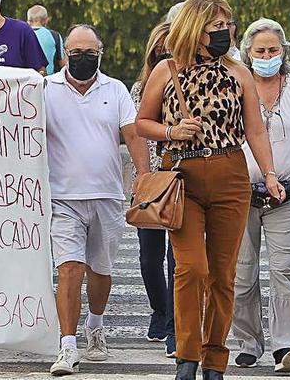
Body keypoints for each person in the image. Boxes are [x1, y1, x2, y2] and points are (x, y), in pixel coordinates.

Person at [136, 0, 284, 380]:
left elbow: (255, 128)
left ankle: (215, 359)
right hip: (181, 176)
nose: (226, 32)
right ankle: (187, 355)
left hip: (230, 174)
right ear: (195, 29)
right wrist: (171, 130)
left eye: (228, 25)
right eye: (217, 26)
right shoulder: (166, 69)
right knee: (191, 268)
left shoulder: (238, 72)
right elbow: (142, 123)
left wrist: (268, 174)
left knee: (223, 273)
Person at [46, 25, 150, 376]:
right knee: (69, 269)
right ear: (65, 56)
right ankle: (68, 346)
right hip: (63, 197)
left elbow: (133, 133)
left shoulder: (116, 89)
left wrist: (144, 177)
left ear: (100, 54)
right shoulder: (45, 90)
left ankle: (96, 325)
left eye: (90, 53)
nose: (83, 58)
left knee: (100, 271)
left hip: (107, 195)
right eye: (76, 53)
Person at [231, 18, 290, 374]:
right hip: (241, 194)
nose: (267, 56)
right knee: (242, 273)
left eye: (273, 50)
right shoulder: (237, 85)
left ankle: (287, 344)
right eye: (260, 51)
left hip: (287, 193)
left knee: (285, 269)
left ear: (284, 52)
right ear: (248, 53)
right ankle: (248, 342)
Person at [131, 22, 176, 358]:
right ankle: (159, 310)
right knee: (149, 258)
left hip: (180, 178)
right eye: (160, 47)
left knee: (179, 259)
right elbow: (137, 132)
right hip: (148, 180)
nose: (165, 53)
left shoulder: (188, 84)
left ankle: (176, 323)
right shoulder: (139, 87)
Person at [27, 5, 65, 74]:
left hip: (27, 81)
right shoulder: (55, 36)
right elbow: (63, 64)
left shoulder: (22, 36)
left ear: (28, 21)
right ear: (46, 20)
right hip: (49, 81)